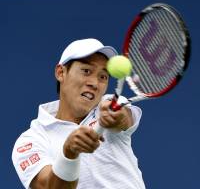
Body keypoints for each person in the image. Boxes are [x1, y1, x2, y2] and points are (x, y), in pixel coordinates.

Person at [12, 38, 146, 189]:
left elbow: (123, 117)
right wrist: (69, 154)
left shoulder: (110, 103)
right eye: (86, 71)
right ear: (60, 72)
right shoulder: (30, 141)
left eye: (103, 77)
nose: (94, 83)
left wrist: (116, 117)